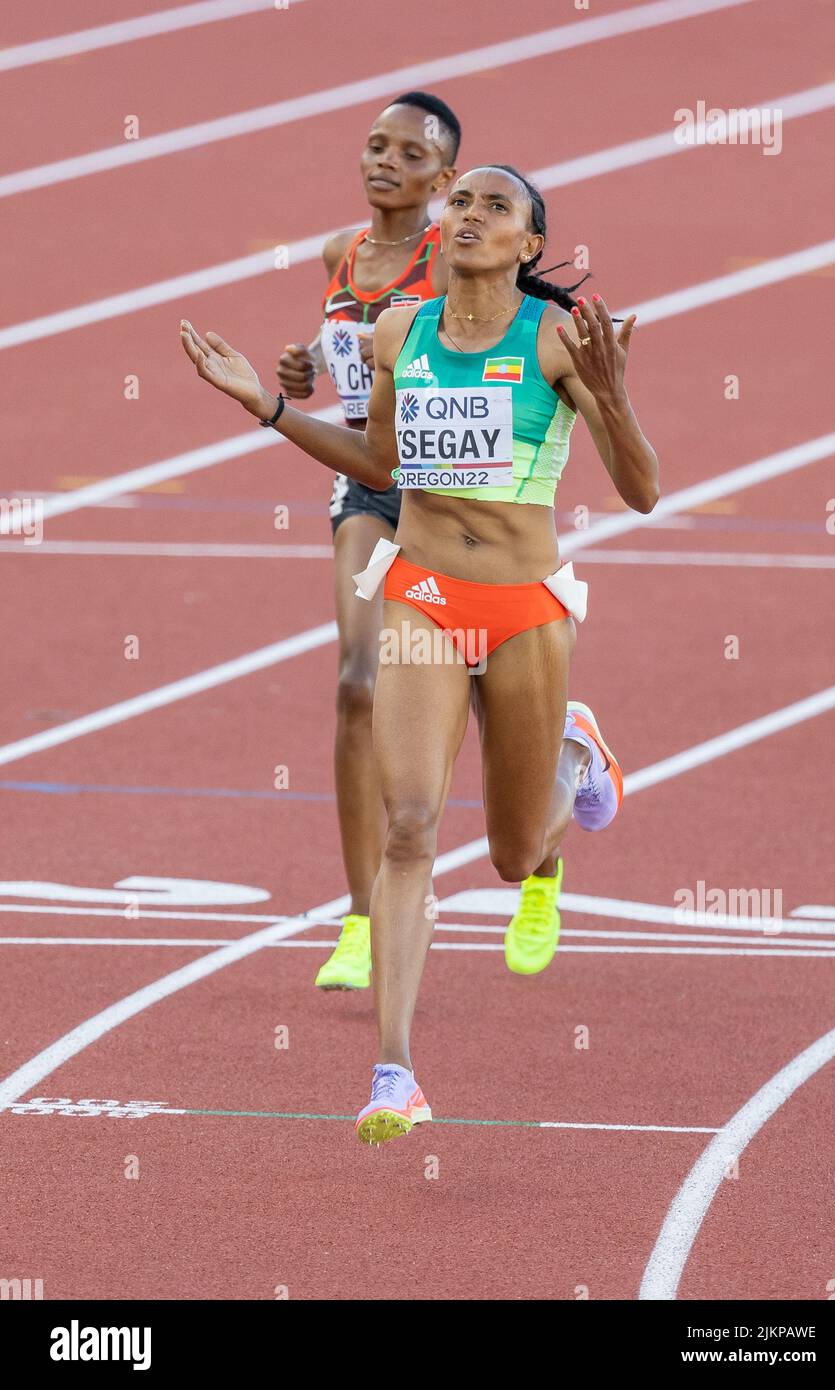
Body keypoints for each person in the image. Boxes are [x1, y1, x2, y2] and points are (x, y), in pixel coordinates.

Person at [180, 164, 659, 1145]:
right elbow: (382, 468)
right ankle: (393, 1071)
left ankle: (574, 752)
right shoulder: (403, 331)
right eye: (465, 202)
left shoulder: (557, 339)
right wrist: (265, 409)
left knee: (515, 851)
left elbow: (641, 491)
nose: (471, 215)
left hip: (523, 607)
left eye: (497, 207)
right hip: (423, 594)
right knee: (409, 826)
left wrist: (611, 402)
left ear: (530, 246)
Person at [275, 91, 458, 991]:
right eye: (376, 145)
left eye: (409, 154)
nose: (385, 161)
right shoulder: (337, 253)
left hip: (456, 496)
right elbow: (343, 349)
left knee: (498, 706)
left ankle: (542, 855)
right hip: (369, 485)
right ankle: (358, 916)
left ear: (444, 179)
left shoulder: (456, 256)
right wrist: (304, 366)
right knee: (356, 684)